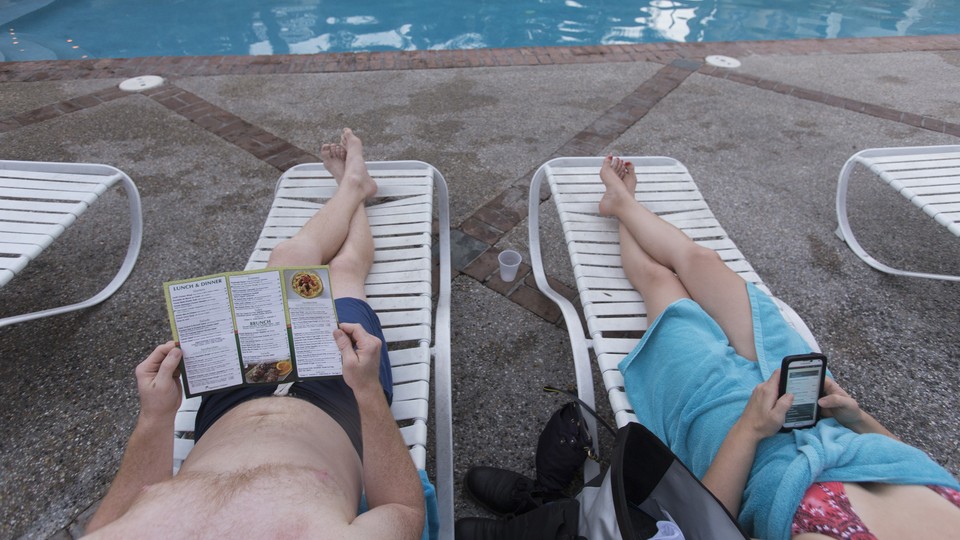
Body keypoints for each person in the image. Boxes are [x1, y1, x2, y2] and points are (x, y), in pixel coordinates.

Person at [84, 129, 426, 539]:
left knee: (287, 257)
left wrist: (155, 416)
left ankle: (352, 187)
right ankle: (353, 186)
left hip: (229, 398)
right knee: (344, 272)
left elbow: (106, 524)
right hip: (345, 398)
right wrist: (368, 390)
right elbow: (403, 510)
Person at [598, 156, 960, 540]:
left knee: (661, 282)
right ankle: (622, 203)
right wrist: (856, 418)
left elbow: (705, 529)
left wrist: (750, 429)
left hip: (733, 439)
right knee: (701, 260)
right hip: (816, 414)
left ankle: (622, 205)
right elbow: (907, 463)